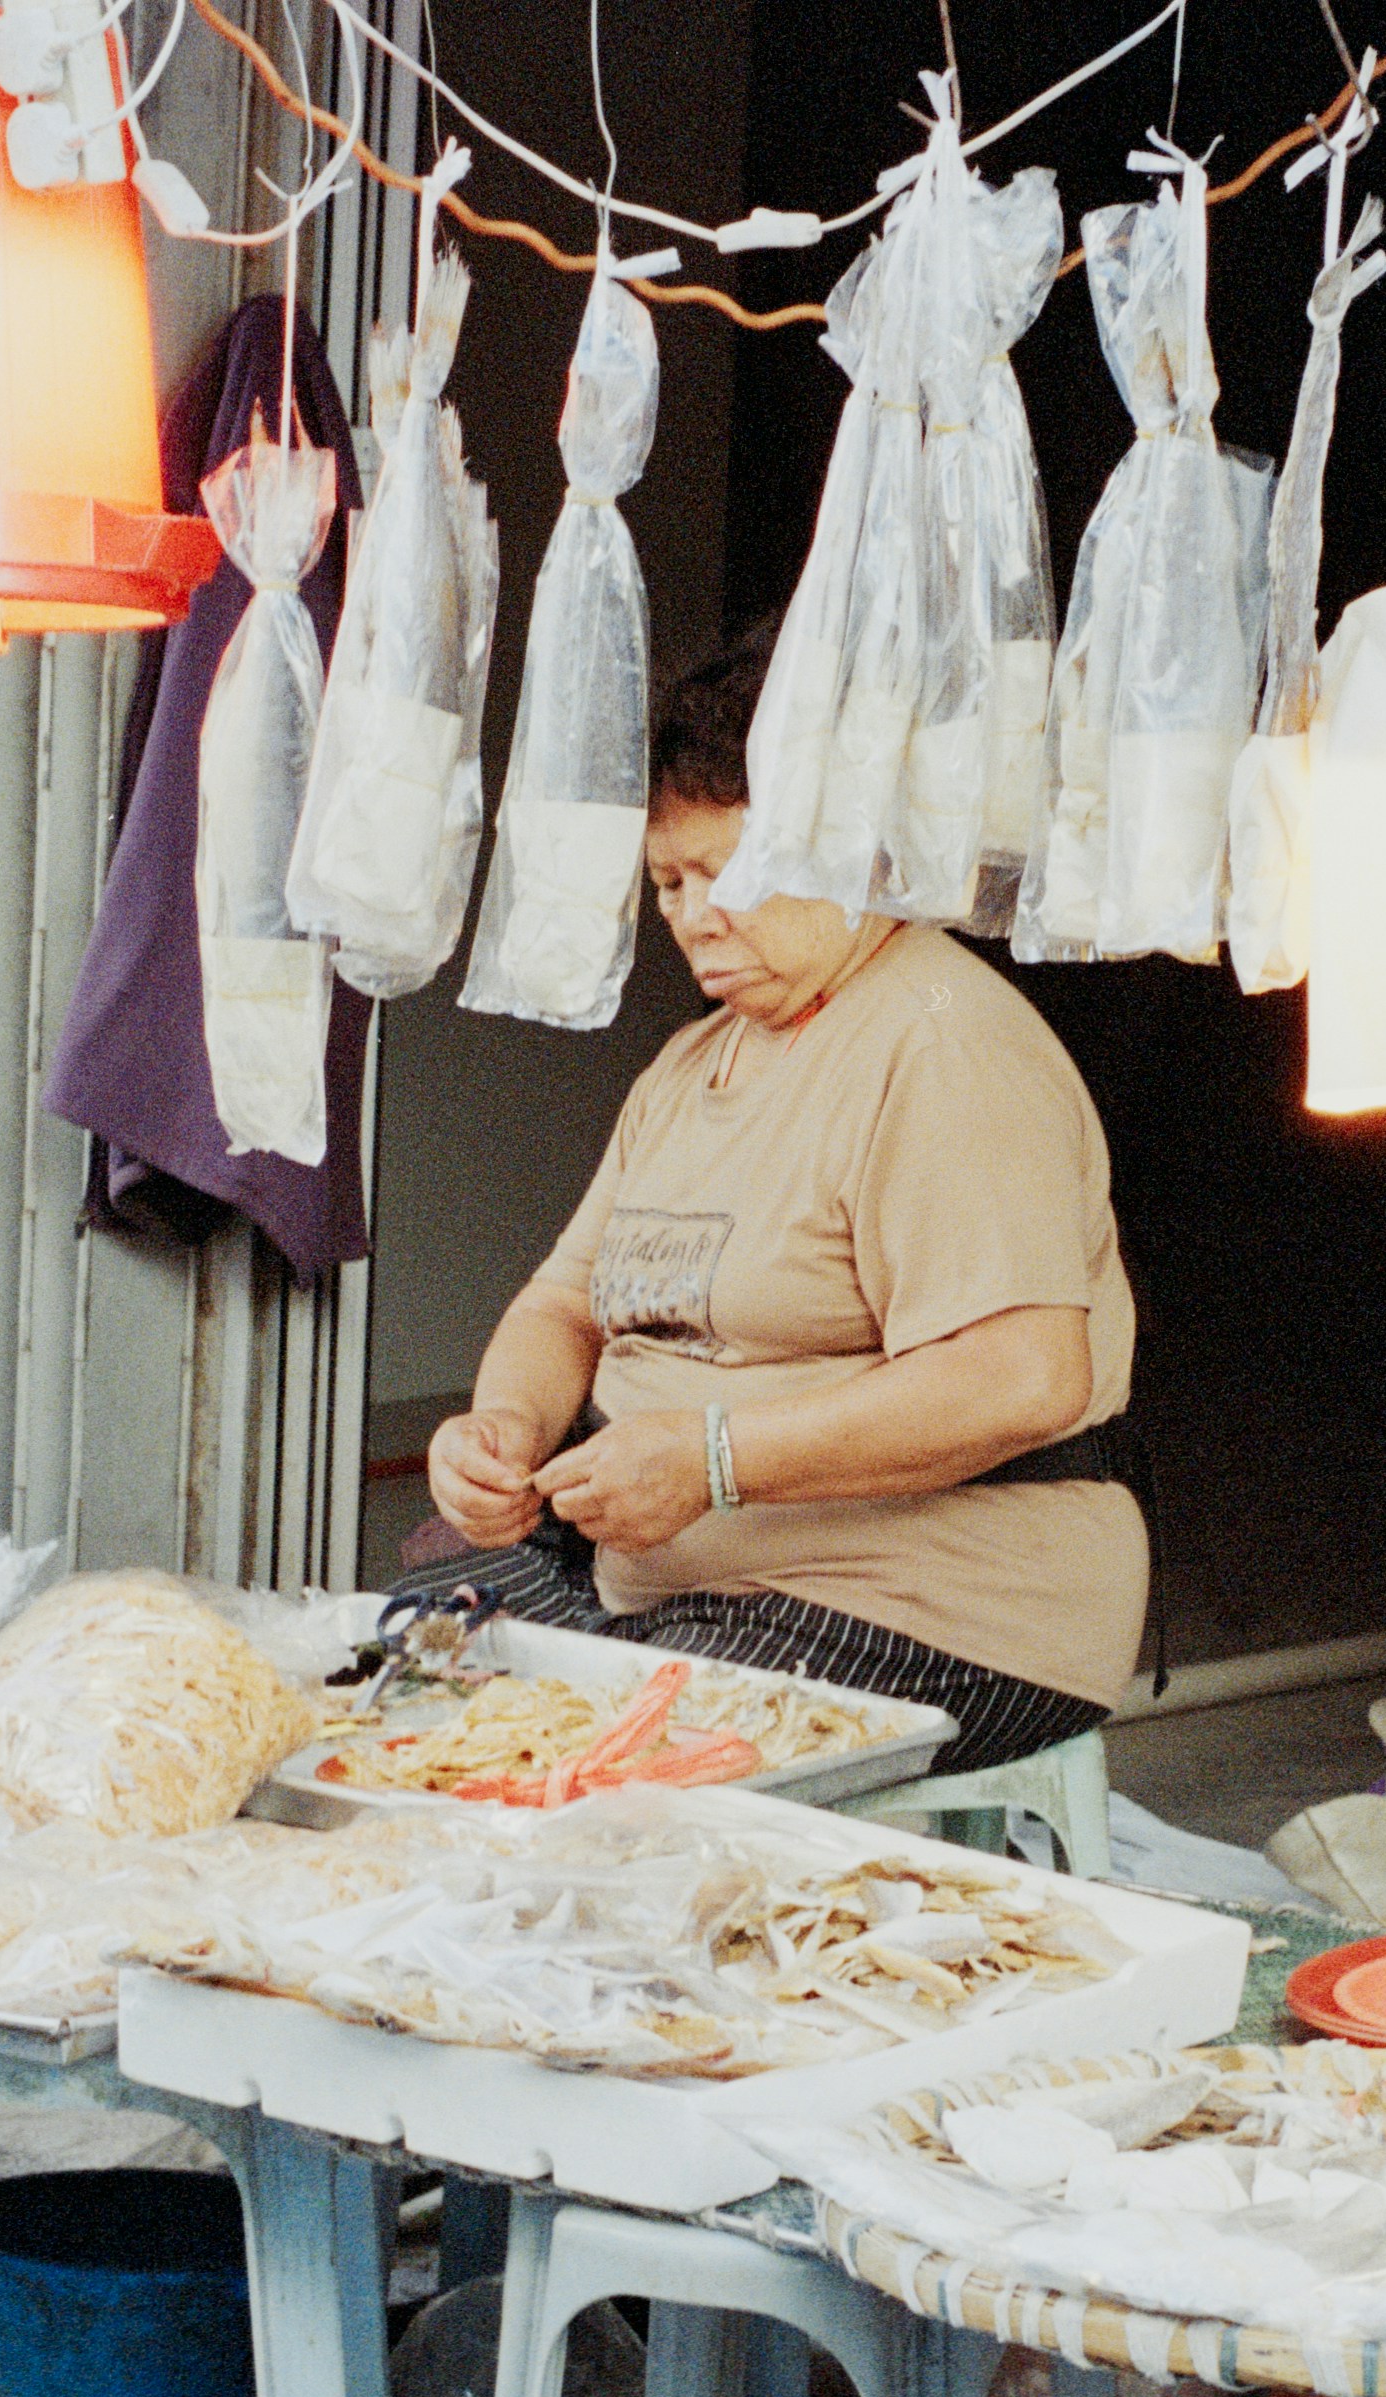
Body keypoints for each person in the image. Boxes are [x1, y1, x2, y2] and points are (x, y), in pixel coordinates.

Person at [406, 627, 1147, 1771]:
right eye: (669, 881)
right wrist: (502, 1431)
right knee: (397, 1666)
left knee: (578, 1760)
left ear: (843, 848)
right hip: (680, 1585)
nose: (697, 916)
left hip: (934, 1608)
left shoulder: (939, 1041)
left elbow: (1023, 1374)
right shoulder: (691, 1064)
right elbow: (563, 1304)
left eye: (732, 872)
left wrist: (712, 1462)